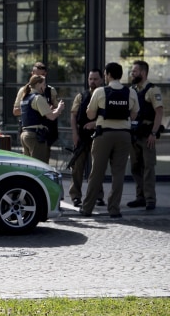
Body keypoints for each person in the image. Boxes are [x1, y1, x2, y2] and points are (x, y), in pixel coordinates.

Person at [80, 62, 139, 218]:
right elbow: (134, 115)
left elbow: (90, 116)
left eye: (105, 74)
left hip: (104, 134)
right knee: (118, 173)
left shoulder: (100, 91)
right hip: (124, 135)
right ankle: (114, 209)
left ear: (108, 75)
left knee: (96, 172)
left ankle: (87, 208)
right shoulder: (130, 92)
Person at [127, 60, 164, 210]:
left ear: (143, 73)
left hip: (147, 134)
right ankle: (140, 197)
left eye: (134, 71)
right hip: (135, 134)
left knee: (148, 167)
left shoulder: (152, 90)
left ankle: (150, 199)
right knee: (136, 167)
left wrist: (154, 133)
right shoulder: (132, 89)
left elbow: (159, 112)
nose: (132, 74)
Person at [68, 69, 105, 207]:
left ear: (101, 79)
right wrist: (75, 134)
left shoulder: (105, 94)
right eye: (90, 79)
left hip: (99, 135)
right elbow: (73, 115)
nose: (92, 82)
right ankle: (75, 196)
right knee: (77, 167)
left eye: (95, 79)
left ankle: (98, 196)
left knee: (97, 168)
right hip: (82, 136)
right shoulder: (81, 96)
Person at [13, 62, 59, 161]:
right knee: (37, 164)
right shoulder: (24, 91)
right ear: (32, 74)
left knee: (43, 160)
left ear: (45, 75)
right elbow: (16, 111)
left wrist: (48, 109)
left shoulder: (50, 90)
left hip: (45, 131)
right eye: (35, 75)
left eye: (41, 75)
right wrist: (36, 109)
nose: (38, 78)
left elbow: (55, 109)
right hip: (32, 131)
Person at [19, 74, 65, 163]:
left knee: (29, 165)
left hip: (25, 135)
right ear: (38, 84)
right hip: (35, 136)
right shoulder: (38, 98)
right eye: (44, 84)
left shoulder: (25, 97)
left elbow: (33, 114)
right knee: (39, 165)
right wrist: (59, 108)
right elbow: (51, 117)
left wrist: (50, 110)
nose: (45, 87)